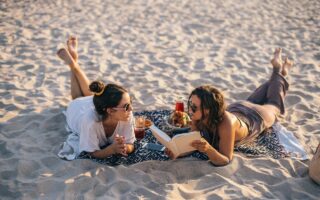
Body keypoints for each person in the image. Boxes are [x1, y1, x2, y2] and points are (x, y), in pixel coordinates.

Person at [166, 48, 294, 166]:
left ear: (208, 110)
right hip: (237, 107)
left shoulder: (226, 123)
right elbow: (192, 144)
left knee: (274, 105)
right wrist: (177, 152)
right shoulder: (196, 117)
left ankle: (277, 70)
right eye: (190, 105)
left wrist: (209, 149)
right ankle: (280, 74)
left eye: (194, 107)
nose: (189, 111)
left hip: (255, 116)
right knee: (272, 93)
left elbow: (226, 159)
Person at [57, 36, 135, 160]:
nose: (131, 109)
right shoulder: (91, 122)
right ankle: (73, 65)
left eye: (130, 103)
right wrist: (111, 150)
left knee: (93, 95)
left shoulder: (126, 115)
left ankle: (74, 63)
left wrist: (125, 147)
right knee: (77, 98)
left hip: (95, 103)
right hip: (77, 112)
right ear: (110, 110)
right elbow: (92, 153)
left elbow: (131, 144)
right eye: (126, 106)